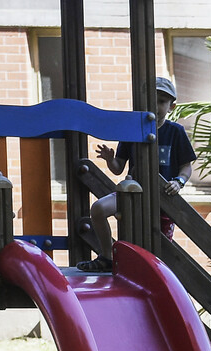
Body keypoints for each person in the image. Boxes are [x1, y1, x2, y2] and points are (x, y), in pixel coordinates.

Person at [76, 76, 196, 273]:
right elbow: (118, 168)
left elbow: (186, 166)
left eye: (162, 101)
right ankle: (107, 255)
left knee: (161, 245)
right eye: (152, 99)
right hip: (133, 193)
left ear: (171, 107)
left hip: (163, 198)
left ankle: (159, 274)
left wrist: (179, 181)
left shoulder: (175, 131)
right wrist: (109, 159)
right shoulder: (132, 129)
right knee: (98, 208)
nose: (156, 106)